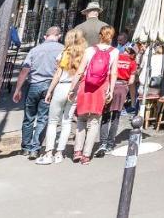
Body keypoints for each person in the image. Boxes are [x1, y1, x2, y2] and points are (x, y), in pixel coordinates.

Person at [11, 26, 64, 159]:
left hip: (33, 85)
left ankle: (25, 147)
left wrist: (17, 89)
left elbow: (25, 69)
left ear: (45, 36)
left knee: (28, 117)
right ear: (59, 36)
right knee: (43, 118)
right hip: (50, 86)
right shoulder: (63, 50)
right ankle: (35, 148)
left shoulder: (35, 50)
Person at [36, 29, 87, 165]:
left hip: (62, 87)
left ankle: (48, 153)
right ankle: (59, 153)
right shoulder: (84, 55)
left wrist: (49, 91)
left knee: (53, 121)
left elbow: (57, 75)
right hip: (74, 89)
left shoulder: (64, 54)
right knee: (67, 121)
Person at [71, 26, 119, 163]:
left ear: (100, 35)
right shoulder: (114, 52)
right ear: (112, 36)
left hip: (86, 86)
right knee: (94, 121)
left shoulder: (90, 50)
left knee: (81, 119)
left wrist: (72, 88)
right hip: (101, 88)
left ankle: (77, 151)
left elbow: (80, 70)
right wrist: (111, 90)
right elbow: (114, 73)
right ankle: (86, 155)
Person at [99, 44, 137, 153]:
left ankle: (103, 143)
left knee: (105, 115)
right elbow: (131, 81)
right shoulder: (132, 62)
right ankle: (110, 144)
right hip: (122, 87)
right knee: (115, 117)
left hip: (110, 86)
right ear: (133, 53)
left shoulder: (115, 57)